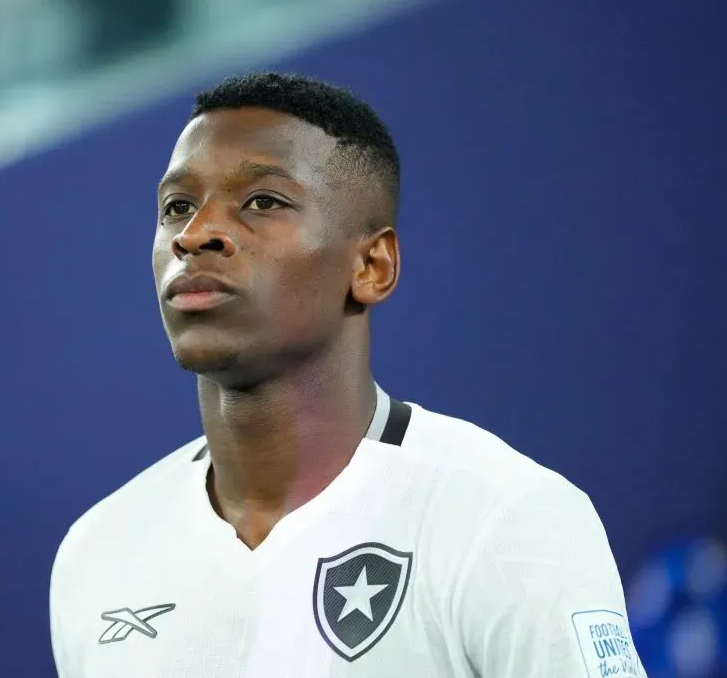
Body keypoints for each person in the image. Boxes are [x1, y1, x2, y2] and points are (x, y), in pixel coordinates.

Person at [49, 71, 646, 677]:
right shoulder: (97, 556)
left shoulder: (505, 518)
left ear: (372, 265)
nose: (195, 234)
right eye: (177, 207)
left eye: (262, 202)